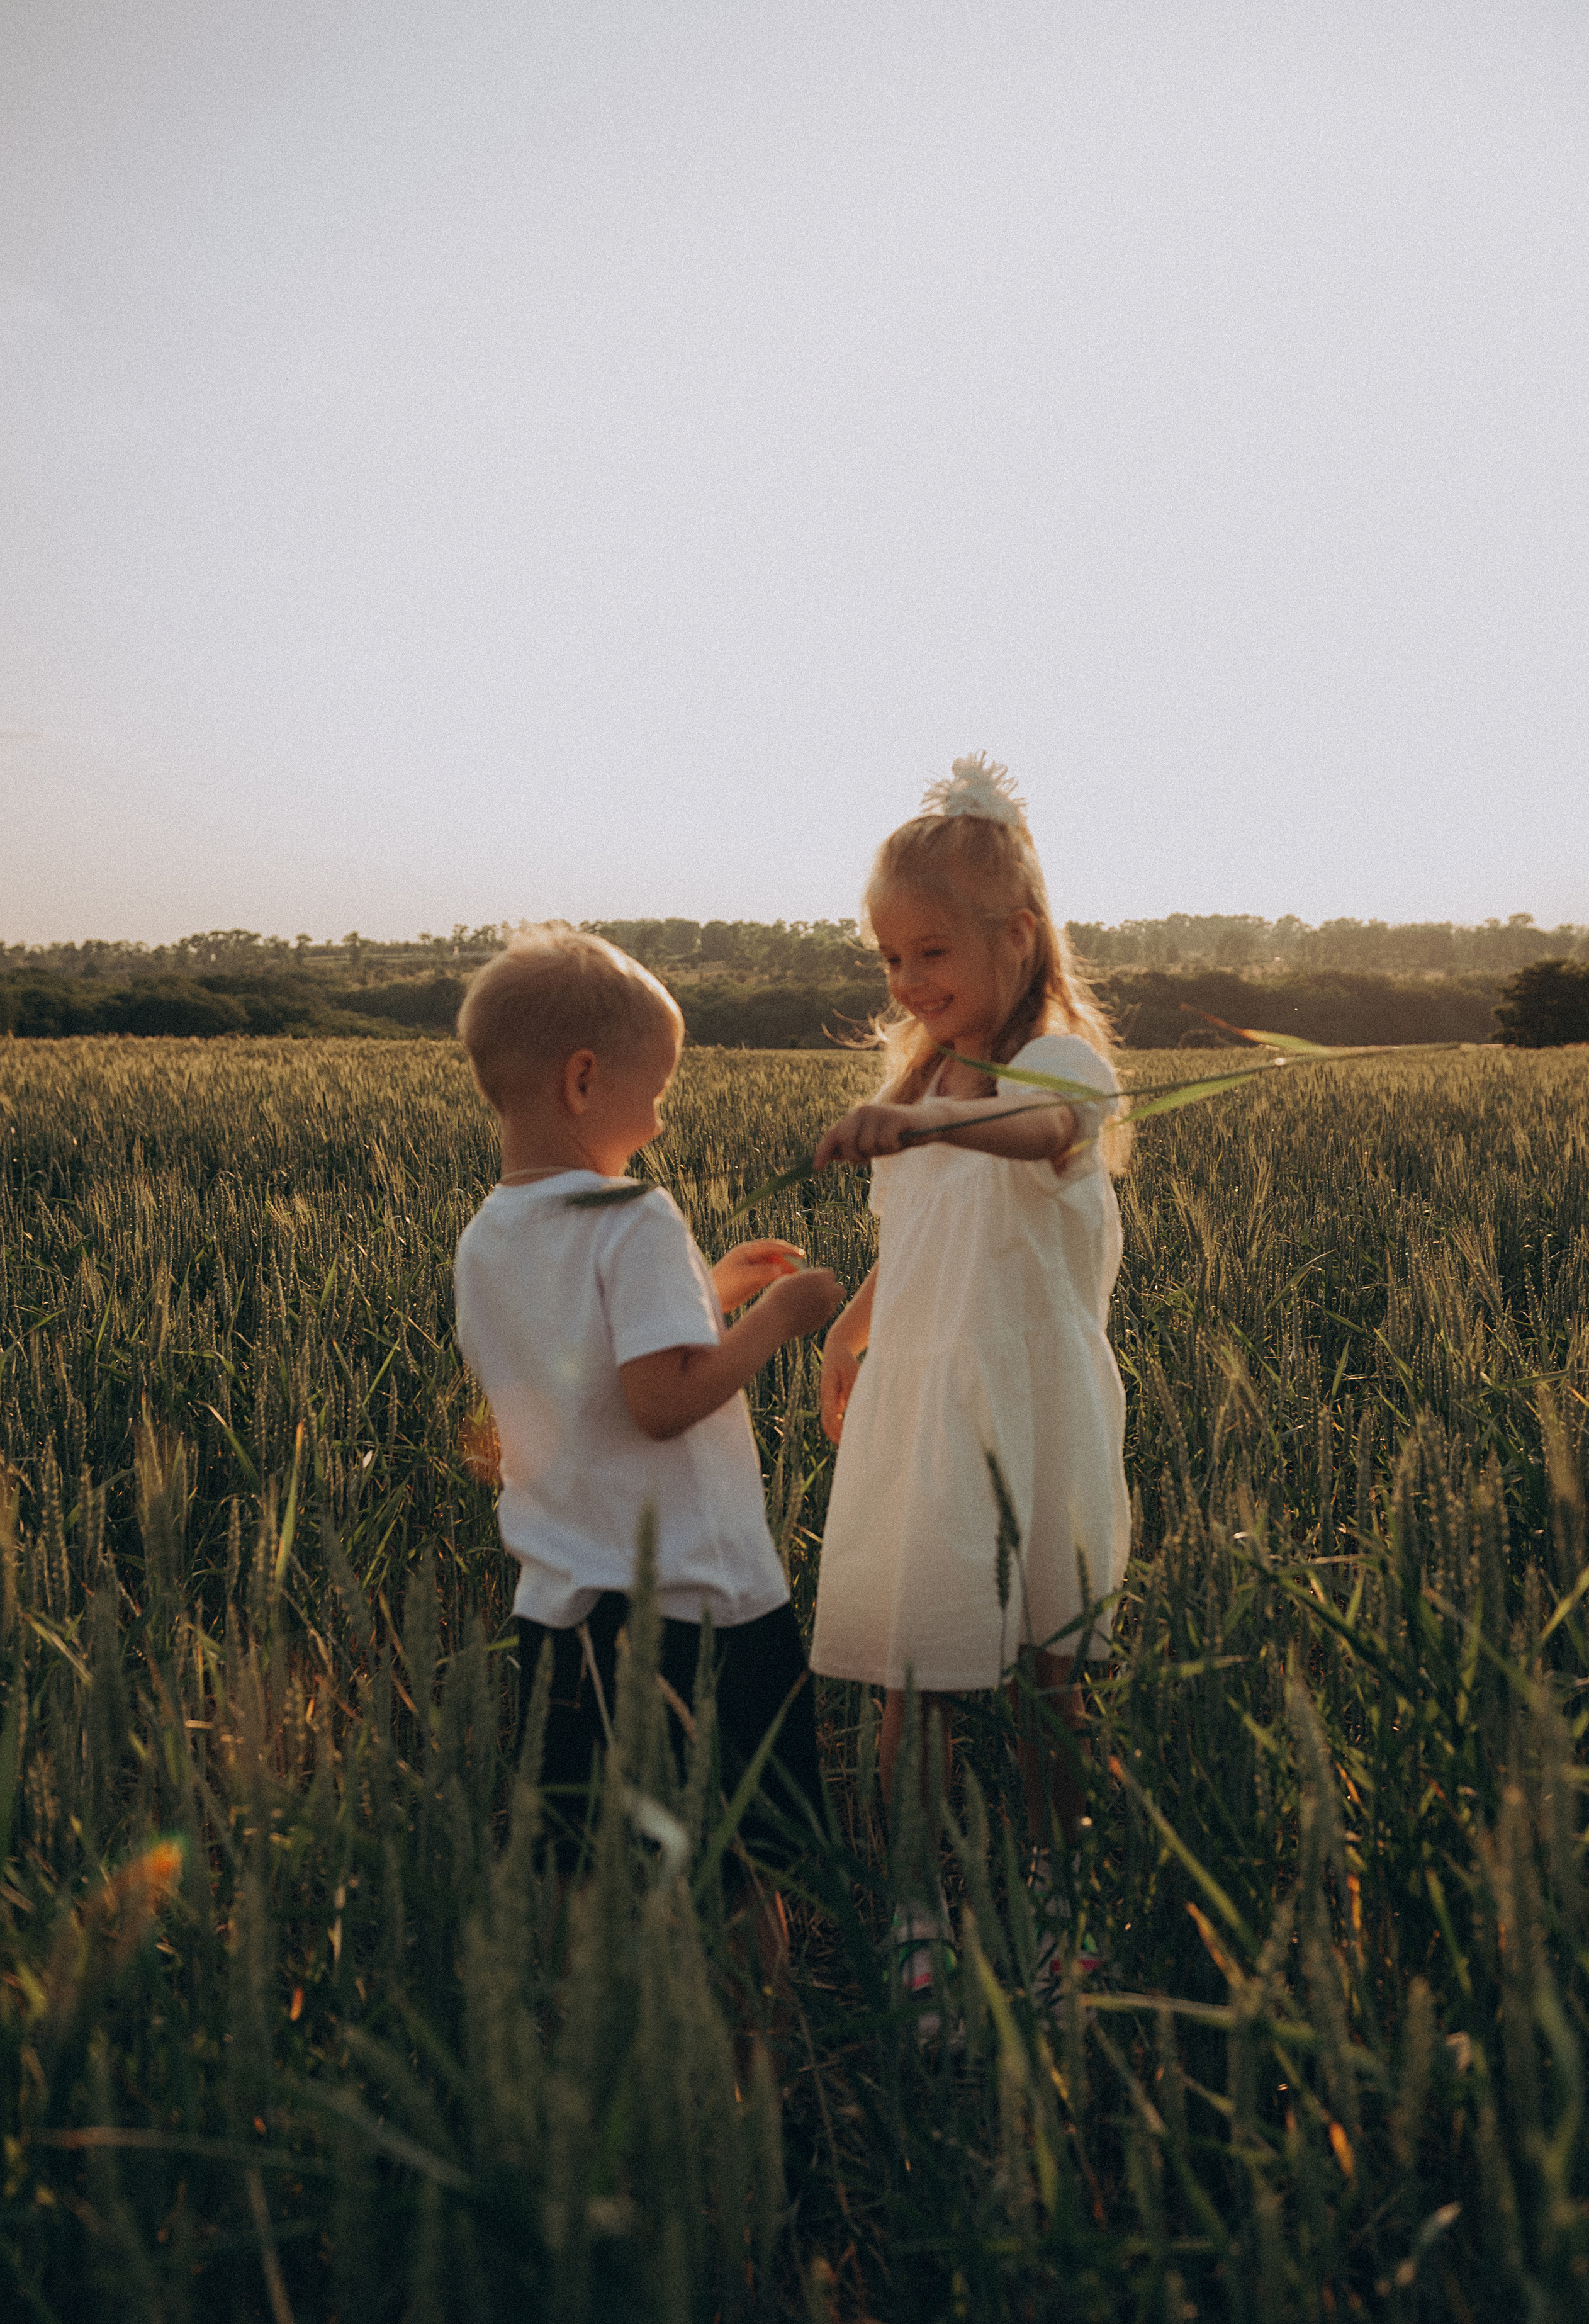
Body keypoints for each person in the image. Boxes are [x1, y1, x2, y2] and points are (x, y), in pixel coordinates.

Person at [807, 755, 1132, 2006]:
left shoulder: (1060, 1065)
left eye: (929, 953)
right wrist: (850, 1329)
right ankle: (914, 1914)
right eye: (887, 959)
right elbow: (919, 1238)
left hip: (1031, 1409)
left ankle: (1063, 1904)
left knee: (1055, 1676)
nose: (905, 983)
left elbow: (1042, 1133)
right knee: (918, 1679)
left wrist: (927, 1124)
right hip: (930, 1406)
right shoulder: (920, 1079)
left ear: (1016, 935)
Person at [452, 925, 843, 1871]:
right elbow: (659, 1403)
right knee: (759, 1854)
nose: (663, 1121)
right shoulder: (635, 1215)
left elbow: (580, 1362)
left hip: (562, 1606)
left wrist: (708, 1291)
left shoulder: (485, 1236)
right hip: (700, 1598)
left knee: (586, 1863)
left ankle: (602, 2014)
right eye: (658, 1092)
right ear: (583, 1080)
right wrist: (778, 1318)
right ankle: (762, 2015)